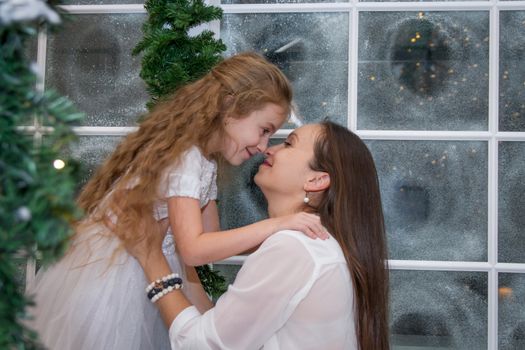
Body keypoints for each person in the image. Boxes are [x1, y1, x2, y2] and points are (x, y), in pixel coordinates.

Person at [26, 52, 327, 350]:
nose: (264, 146)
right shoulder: (186, 158)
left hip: (150, 273)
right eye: (264, 131)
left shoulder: (206, 162)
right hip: (113, 281)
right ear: (230, 109)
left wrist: (286, 230)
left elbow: (211, 241)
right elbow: (194, 249)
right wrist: (278, 224)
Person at [127, 121, 390, 350]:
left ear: (316, 181)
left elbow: (204, 346)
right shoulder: (315, 244)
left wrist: (152, 258)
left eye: (288, 143)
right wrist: (188, 244)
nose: (268, 149)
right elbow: (222, 333)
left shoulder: (294, 248)